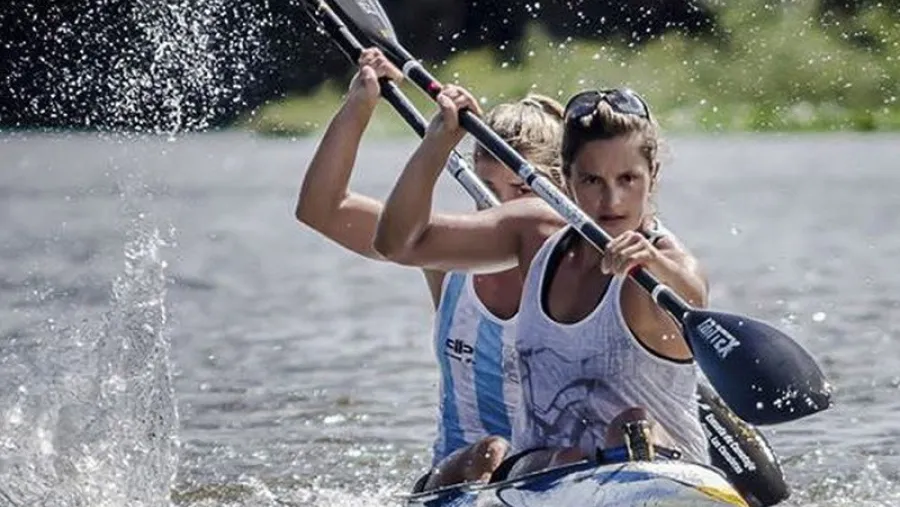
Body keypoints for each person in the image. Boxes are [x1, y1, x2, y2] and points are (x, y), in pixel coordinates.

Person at [373, 84, 711, 477]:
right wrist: (437, 145)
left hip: (655, 474)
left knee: (630, 424)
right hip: (544, 476)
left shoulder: (663, 263)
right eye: (591, 181)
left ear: (652, 176)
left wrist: (653, 264)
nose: (612, 201)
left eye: (628, 179)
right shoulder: (535, 234)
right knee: (503, 456)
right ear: (564, 179)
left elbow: (693, 292)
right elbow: (395, 243)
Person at [294, 48, 567, 490]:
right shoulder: (443, 253)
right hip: (453, 481)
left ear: (563, 190)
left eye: (521, 190)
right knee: (491, 451)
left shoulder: (580, 265)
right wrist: (359, 106)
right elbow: (321, 209)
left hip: (555, 476)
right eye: (488, 188)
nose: (500, 206)